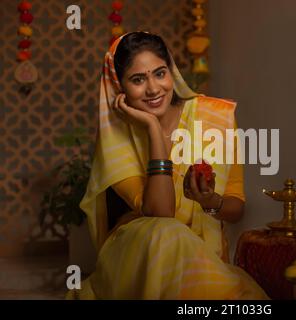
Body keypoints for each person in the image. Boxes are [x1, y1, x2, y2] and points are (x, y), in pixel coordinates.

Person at [67, 31, 268, 299]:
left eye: (160, 73)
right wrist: (152, 127)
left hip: (199, 254)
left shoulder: (215, 117)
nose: (153, 89)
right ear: (119, 87)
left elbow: (236, 207)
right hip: (139, 252)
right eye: (137, 80)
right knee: (166, 231)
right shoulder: (116, 136)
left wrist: (211, 201)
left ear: (171, 71)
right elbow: (160, 211)